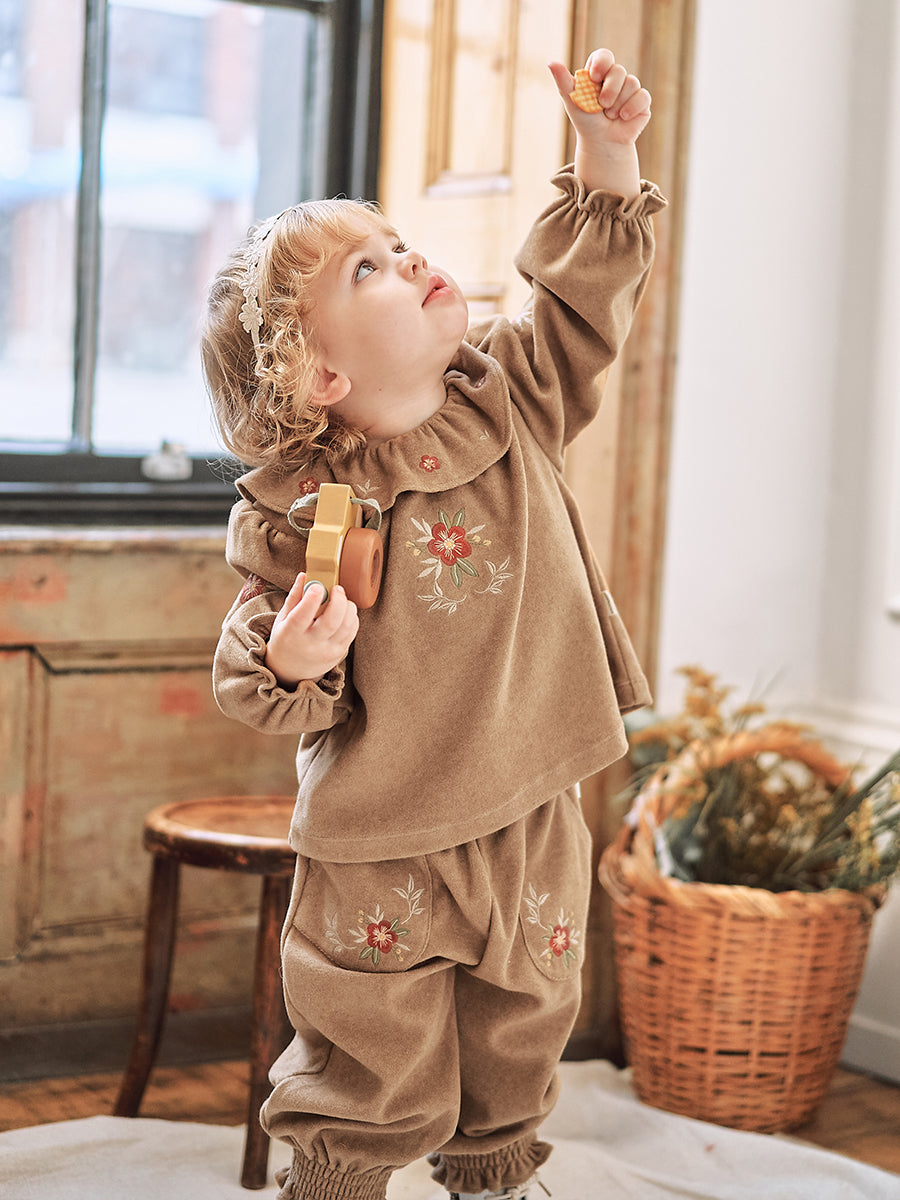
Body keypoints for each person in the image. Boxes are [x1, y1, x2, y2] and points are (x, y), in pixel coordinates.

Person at [204, 47, 664, 1200]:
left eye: (397, 241)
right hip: (384, 830)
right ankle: (339, 1184)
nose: (408, 257)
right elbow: (258, 661)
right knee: (369, 1061)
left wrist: (606, 152)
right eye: (369, 268)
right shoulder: (307, 507)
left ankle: (494, 1177)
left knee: (523, 1030)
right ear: (317, 375)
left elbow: (582, 302)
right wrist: (296, 657)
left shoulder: (514, 392)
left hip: (532, 800)